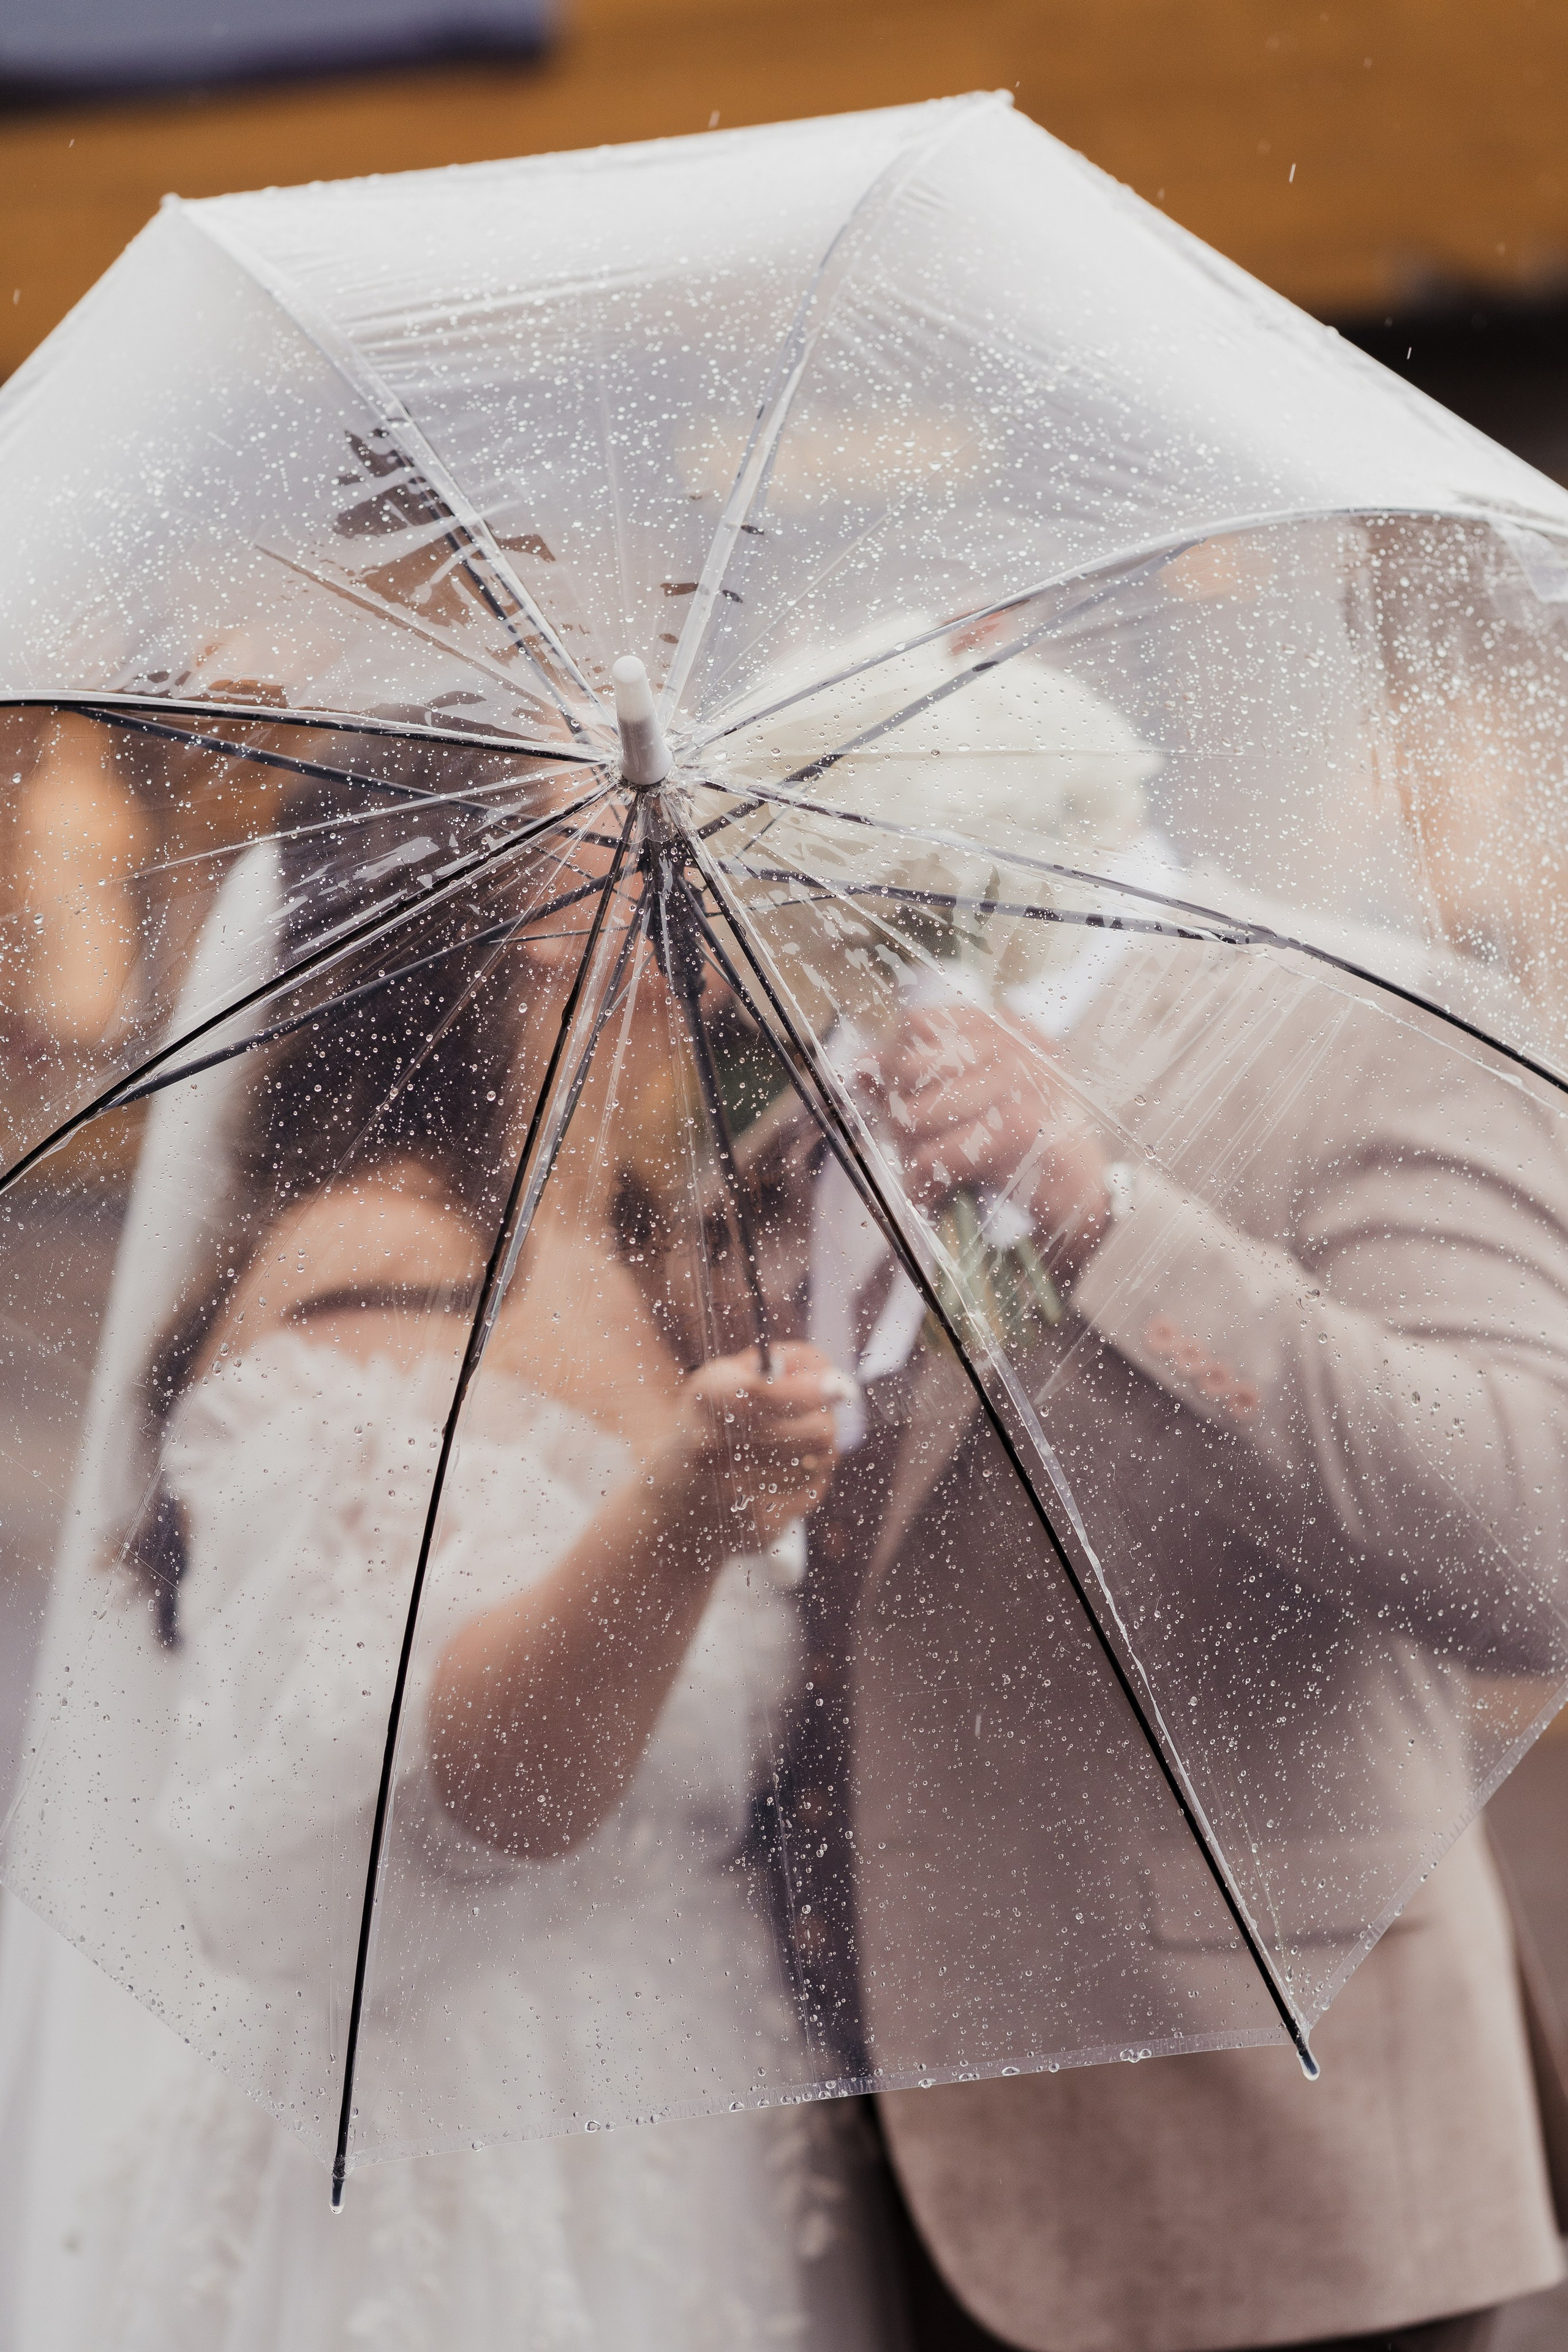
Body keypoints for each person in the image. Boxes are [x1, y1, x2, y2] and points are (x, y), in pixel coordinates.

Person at [718, 615, 1568, 2352]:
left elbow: (1524, 1541)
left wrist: (1104, 1213)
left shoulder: (1368, 1032)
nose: (739, 960)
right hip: (853, 2134)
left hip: (1270, 2154)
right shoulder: (795, 1127)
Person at [0, 770, 905, 2352]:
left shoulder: (632, 1259)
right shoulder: (374, 1268)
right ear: (497, 939)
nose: (672, 872)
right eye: (609, 852)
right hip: (469, 2145)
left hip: (694, 2093)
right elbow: (467, 1802)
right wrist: (677, 1520)